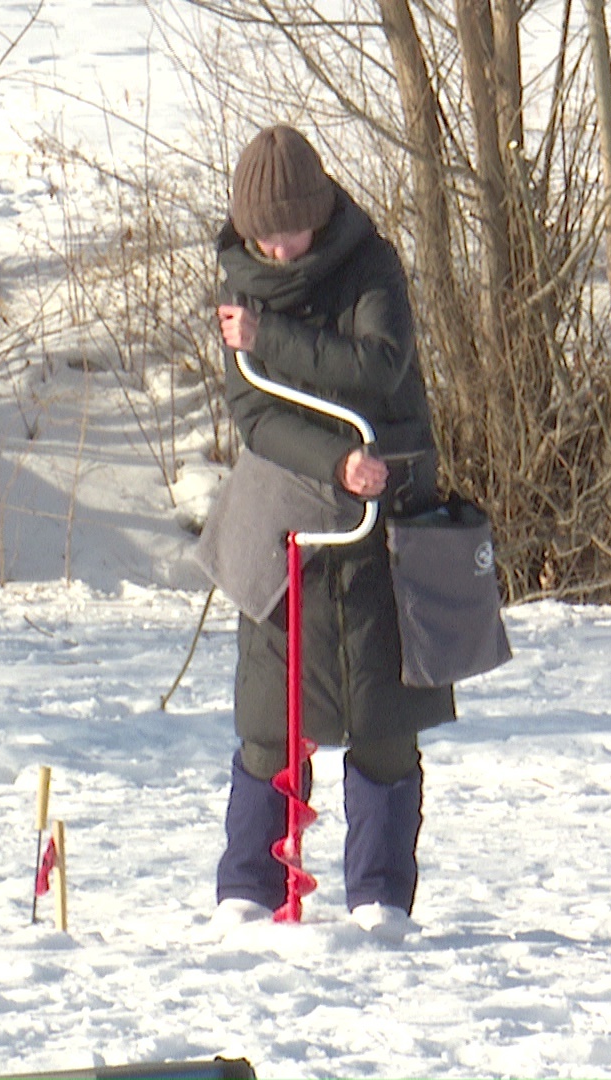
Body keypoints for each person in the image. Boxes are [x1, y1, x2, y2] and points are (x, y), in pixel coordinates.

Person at [196, 124, 454, 938]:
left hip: (386, 524)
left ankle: (379, 899)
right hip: (291, 525)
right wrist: (337, 463)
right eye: (263, 233)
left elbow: (379, 367)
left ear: (319, 212)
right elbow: (254, 414)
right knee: (272, 719)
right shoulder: (240, 283)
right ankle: (249, 889)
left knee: (383, 722)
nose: (278, 247)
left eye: (290, 229)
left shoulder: (369, 262)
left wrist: (271, 339)